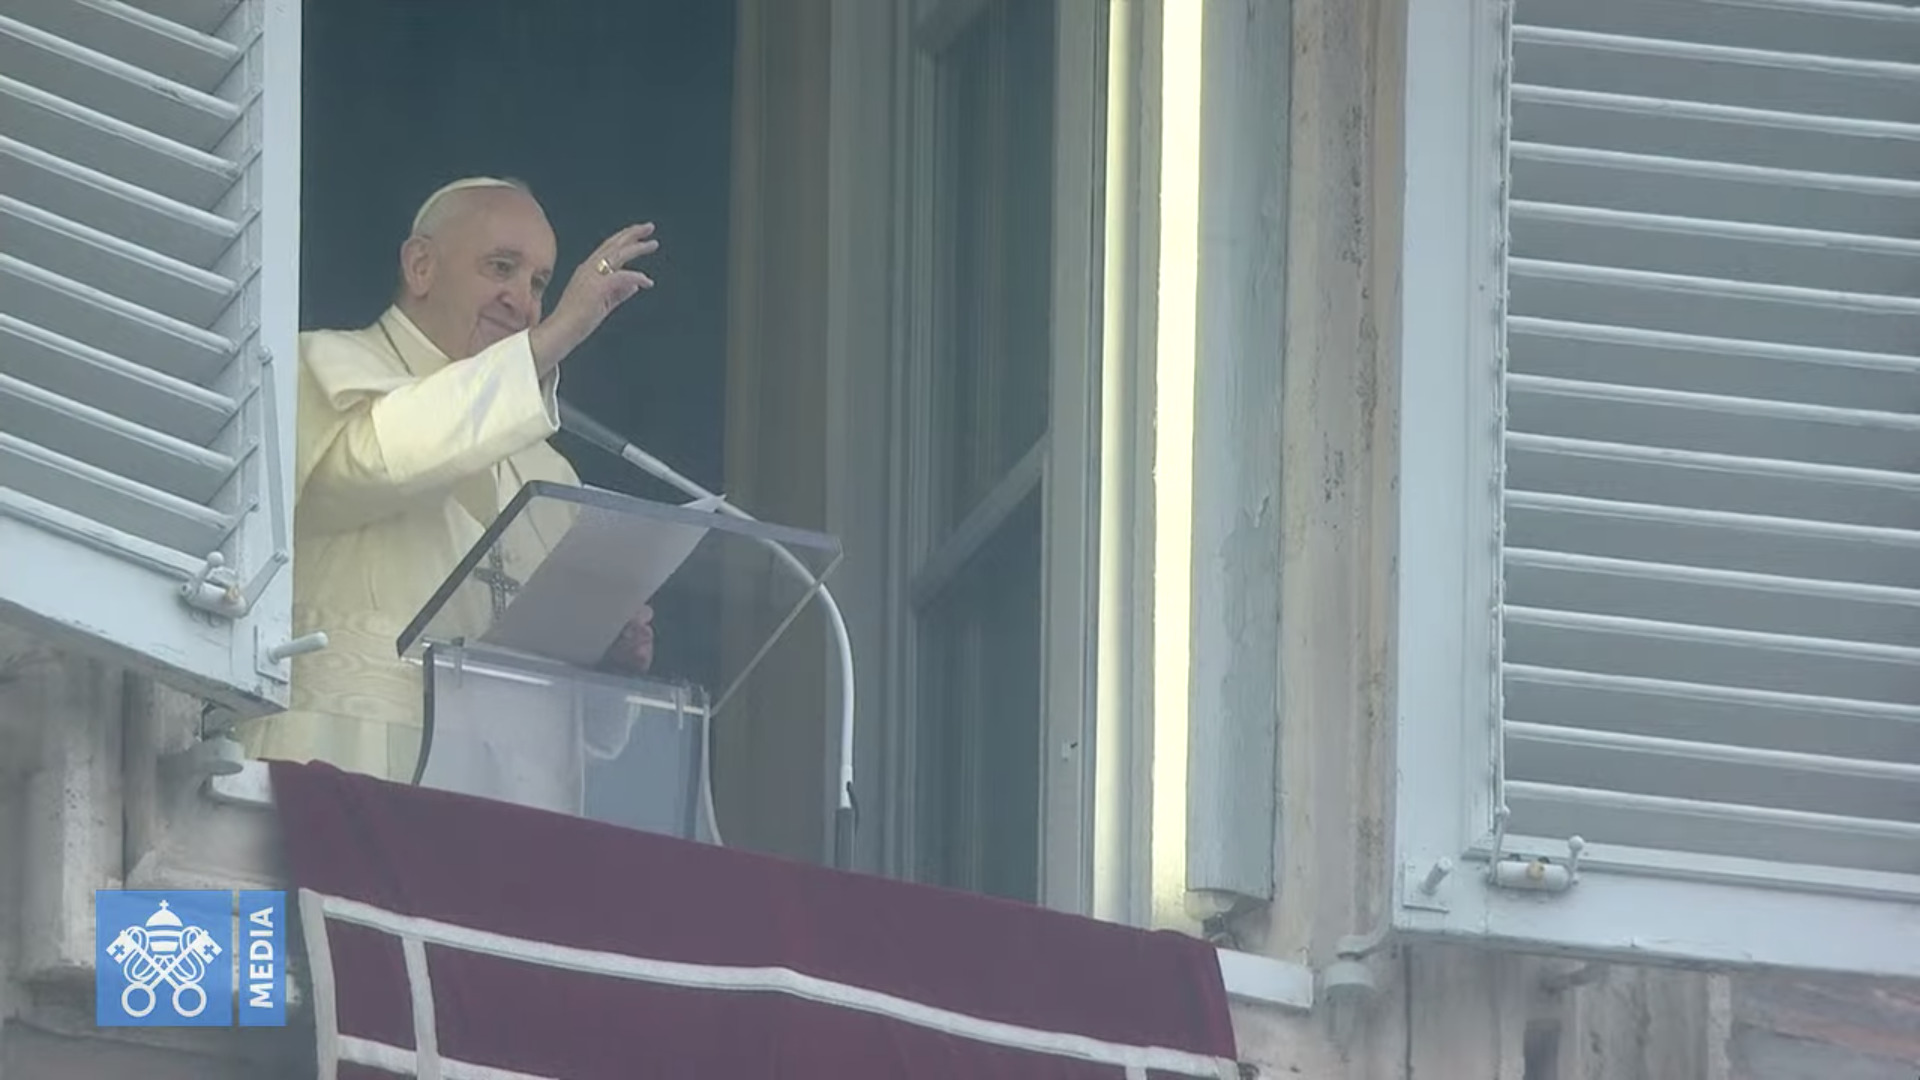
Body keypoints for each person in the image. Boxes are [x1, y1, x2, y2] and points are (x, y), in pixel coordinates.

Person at [234, 176, 658, 784]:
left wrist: (607, 662)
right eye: (501, 268)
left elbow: (569, 716)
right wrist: (552, 339)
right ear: (421, 266)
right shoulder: (321, 366)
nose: (523, 301)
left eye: (539, 284)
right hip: (341, 765)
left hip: (504, 804)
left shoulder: (548, 471)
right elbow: (372, 463)